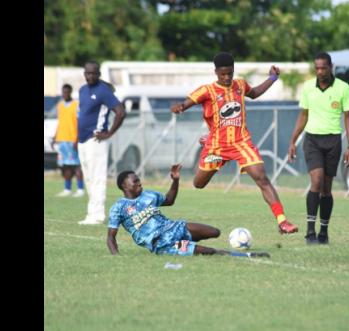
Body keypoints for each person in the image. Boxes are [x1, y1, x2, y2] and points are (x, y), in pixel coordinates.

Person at [170, 52, 298, 235]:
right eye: (223, 74)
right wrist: (180, 107)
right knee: (198, 184)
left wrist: (272, 77)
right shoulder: (207, 90)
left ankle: (282, 221)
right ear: (216, 72)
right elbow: (186, 103)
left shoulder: (240, 85)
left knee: (261, 177)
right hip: (216, 146)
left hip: (241, 143)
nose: (227, 77)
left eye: (230, 73)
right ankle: (208, 142)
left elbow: (254, 93)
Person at [107, 166, 270, 258]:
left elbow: (169, 200)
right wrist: (116, 257)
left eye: (139, 180)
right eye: (135, 181)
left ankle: (189, 240)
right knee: (210, 252)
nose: (139, 183)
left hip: (174, 227)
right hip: (162, 243)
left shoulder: (148, 195)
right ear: (124, 186)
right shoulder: (119, 207)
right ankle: (249, 256)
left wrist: (175, 180)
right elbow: (111, 237)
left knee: (215, 232)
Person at [288, 52, 349, 245]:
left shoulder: (343, 87)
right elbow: (303, 115)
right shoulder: (309, 87)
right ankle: (310, 232)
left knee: (326, 188)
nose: (319, 71)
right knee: (316, 182)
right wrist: (293, 140)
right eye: (316, 68)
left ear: (330, 67)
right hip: (312, 141)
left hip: (333, 141)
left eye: (323, 68)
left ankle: (323, 232)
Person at [77, 61, 126, 225]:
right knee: (88, 179)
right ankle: (91, 213)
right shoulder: (83, 90)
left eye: (93, 73)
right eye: (87, 73)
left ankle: (97, 215)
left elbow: (120, 111)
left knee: (97, 178)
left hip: (95, 140)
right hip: (82, 141)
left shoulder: (103, 91)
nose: (90, 76)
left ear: (98, 74)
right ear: (84, 73)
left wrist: (109, 133)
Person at [52, 84, 84, 197]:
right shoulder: (60, 106)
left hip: (72, 139)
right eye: (63, 92)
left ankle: (80, 189)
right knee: (65, 165)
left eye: (67, 92)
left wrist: (77, 139)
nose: (65, 94)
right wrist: (55, 137)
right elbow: (60, 122)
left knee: (76, 165)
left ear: (70, 92)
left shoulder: (76, 105)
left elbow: (80, 123)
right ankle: (67, 189)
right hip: (61, 140)